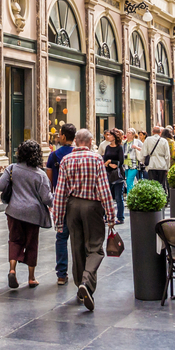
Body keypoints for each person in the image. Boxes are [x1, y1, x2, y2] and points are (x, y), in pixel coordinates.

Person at [51, 128, 116, 311]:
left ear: (76, 142)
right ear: (88, 142)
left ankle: (80, 288)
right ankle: (86, 282)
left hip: (72, 208)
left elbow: (60, 192)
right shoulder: (96, 159)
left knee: (77, 248)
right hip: (92, 208)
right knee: (95, 248)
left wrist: (58, 219)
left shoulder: (66, 160)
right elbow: (104, 189)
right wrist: (111, 215)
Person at [0, 139, 52, 288]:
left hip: (14, 212)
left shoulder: (12, 168)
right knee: (32, 244)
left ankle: (12, 270)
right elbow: (46, 198)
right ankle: (31, 278)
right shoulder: (40, 175)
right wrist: (55, 205)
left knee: (14, 240)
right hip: (33, 214)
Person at [45, 122, 75, 286]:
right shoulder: (78, 154)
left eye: (59, 134)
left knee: (61, 237)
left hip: (60, 199)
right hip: (77, 199)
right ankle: (79, 272)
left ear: (63, 136)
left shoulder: (54, 155)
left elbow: (50, 180)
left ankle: (61, 275)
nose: (58, 137)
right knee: (78, 237)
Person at [102, 129, 126, 224]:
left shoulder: (120, 147)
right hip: (108, 173)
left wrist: (110, 161)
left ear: (115, 137)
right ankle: (106, 216)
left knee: (118, 197)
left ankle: (120, 217)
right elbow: (104, 160)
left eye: (110, 135)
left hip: (117, 175)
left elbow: (121, 161)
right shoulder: (107, 147)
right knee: (107, 196)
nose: (108, 137)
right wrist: (108, 163)